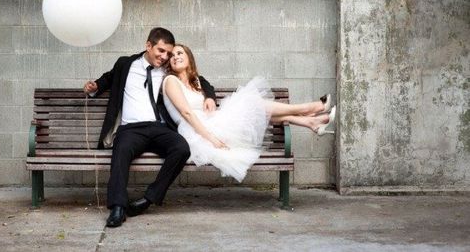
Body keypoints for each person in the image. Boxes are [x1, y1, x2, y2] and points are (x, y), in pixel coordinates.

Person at [83, 29, 217, 228]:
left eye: (168, 54)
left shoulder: (166, 70)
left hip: (159, 127)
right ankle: (118, 207)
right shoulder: (126, 64)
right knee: (121, 151)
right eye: (161, 51)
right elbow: (108, 78)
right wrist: (94, 87)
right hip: (131, 129)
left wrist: (209, 96)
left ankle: (149, 199)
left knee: (181, 149)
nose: (164, 57)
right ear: (148, 46)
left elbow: (197, 78)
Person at [162, 44, 336, 183]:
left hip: (210, 122)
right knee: (251, 104)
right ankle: (310, 109)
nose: (175, 56)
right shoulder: (170, 81)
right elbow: (187, 113)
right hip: (196, 132)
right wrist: (211, 138)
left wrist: (209, 98)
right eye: (172, 55)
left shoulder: (197, 82)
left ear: (189, 58)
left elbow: (207, 91)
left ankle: (311, 122)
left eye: (180, 53)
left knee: (253, 107)